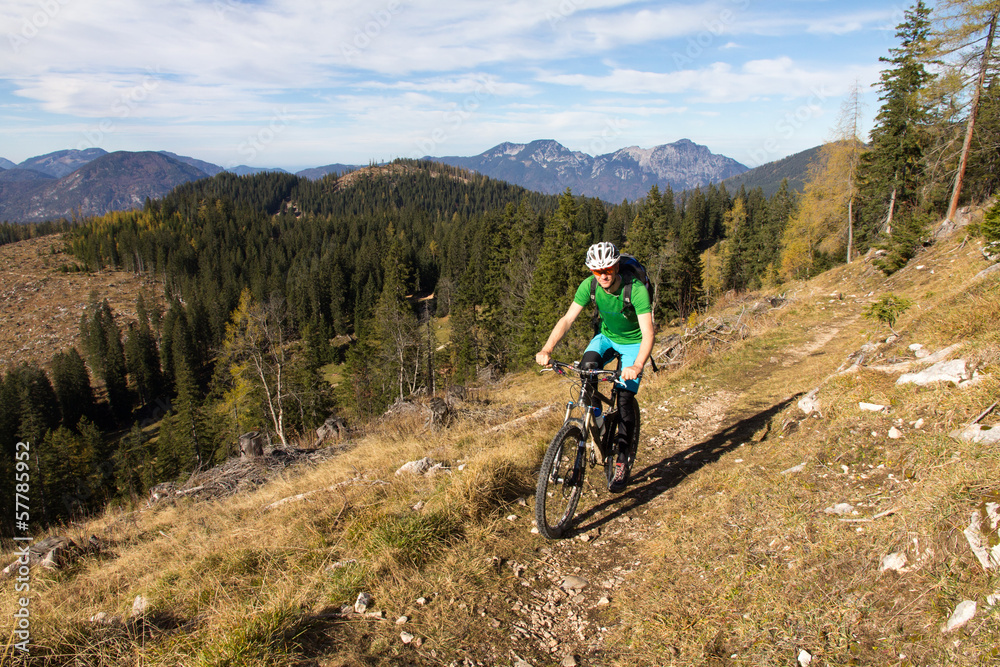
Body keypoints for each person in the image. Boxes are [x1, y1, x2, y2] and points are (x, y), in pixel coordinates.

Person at [535, 241, 654, 489]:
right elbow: (567, 319)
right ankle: (597, 421)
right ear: (592, 272)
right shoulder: (589, 286)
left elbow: (648, 333)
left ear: (616, 266)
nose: (603, 276)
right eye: (597, 271)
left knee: (623, 398)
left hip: (634, 343)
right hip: (607, 337)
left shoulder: (636, 290)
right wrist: (547, 348)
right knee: (587, 368)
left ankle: (622, 459)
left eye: (608, 269)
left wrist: (638, 365)